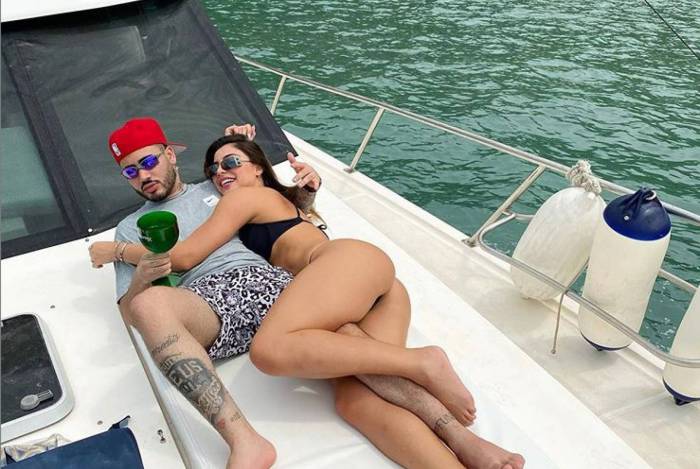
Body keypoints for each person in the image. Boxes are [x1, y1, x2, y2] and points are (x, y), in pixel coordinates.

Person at [92, 121, 525, 469]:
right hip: (216, 301)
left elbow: (274, 199)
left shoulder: (225, 191)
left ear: (169, 154)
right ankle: (462, 445)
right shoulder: (130, 226)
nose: (143, 175)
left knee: (303, 349)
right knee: (357, 401)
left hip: (277, 282)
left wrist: (118, 252)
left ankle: (441, 399)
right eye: (131, 171)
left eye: (149, 161)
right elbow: (131, 312)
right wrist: (139, 273)